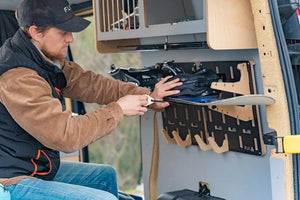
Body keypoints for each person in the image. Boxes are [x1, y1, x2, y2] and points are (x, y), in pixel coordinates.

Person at [0, 0, 182, 199]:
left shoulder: (45, 61)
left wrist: (148, 96)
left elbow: (93, 85)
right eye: (63, 32)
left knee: (103, 176)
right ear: (35, 32)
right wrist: (118, 110)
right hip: (11, 181)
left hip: (38, 168)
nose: (71, 39)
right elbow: (65, 135)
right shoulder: (18, 77)